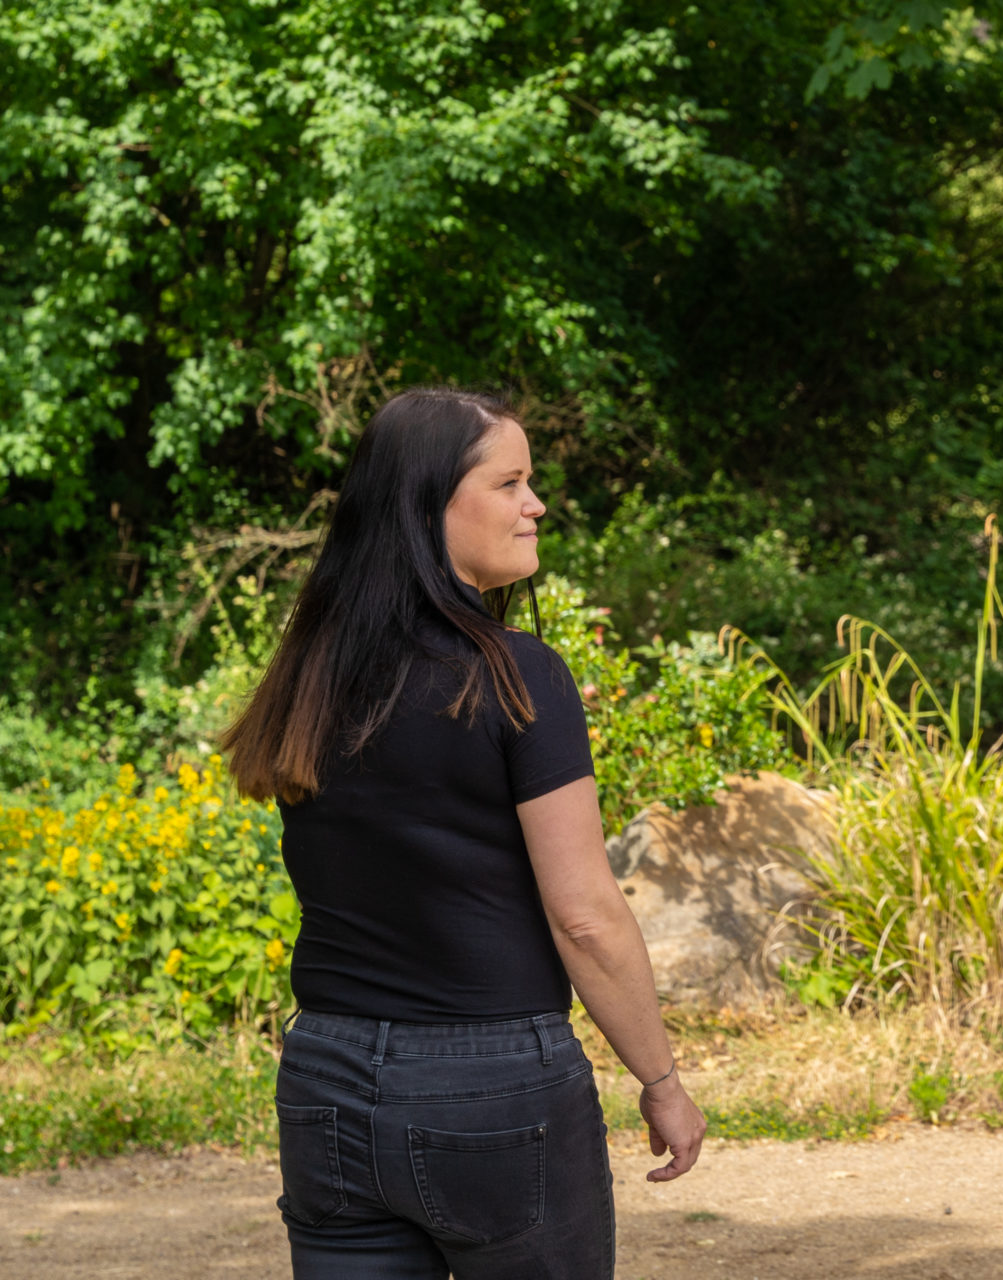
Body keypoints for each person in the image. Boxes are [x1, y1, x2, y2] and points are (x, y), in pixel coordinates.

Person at [224, 388, 705, 1279]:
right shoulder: (518, 676)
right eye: (511, 482)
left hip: (325, 1075)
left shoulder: (310, 677)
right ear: (429, 506)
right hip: (491, 1090)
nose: (537, 504)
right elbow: (586, 917)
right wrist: (661, 1081)